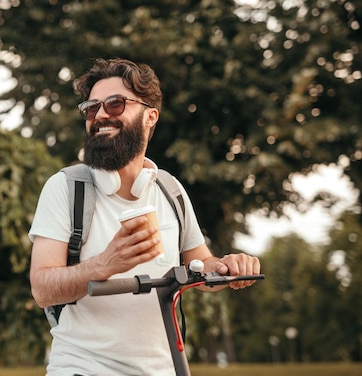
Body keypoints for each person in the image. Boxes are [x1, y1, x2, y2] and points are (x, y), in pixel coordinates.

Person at [28, 58, 261, 375]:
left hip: (164, 368)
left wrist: (228, 267)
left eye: (114, 103)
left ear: (150, 116)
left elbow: (201, 265)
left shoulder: (170, 189)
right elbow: (42, 289)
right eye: (91, 107)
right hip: (82, 367)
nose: (99, 115)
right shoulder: (66, 189)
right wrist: (105, 264)